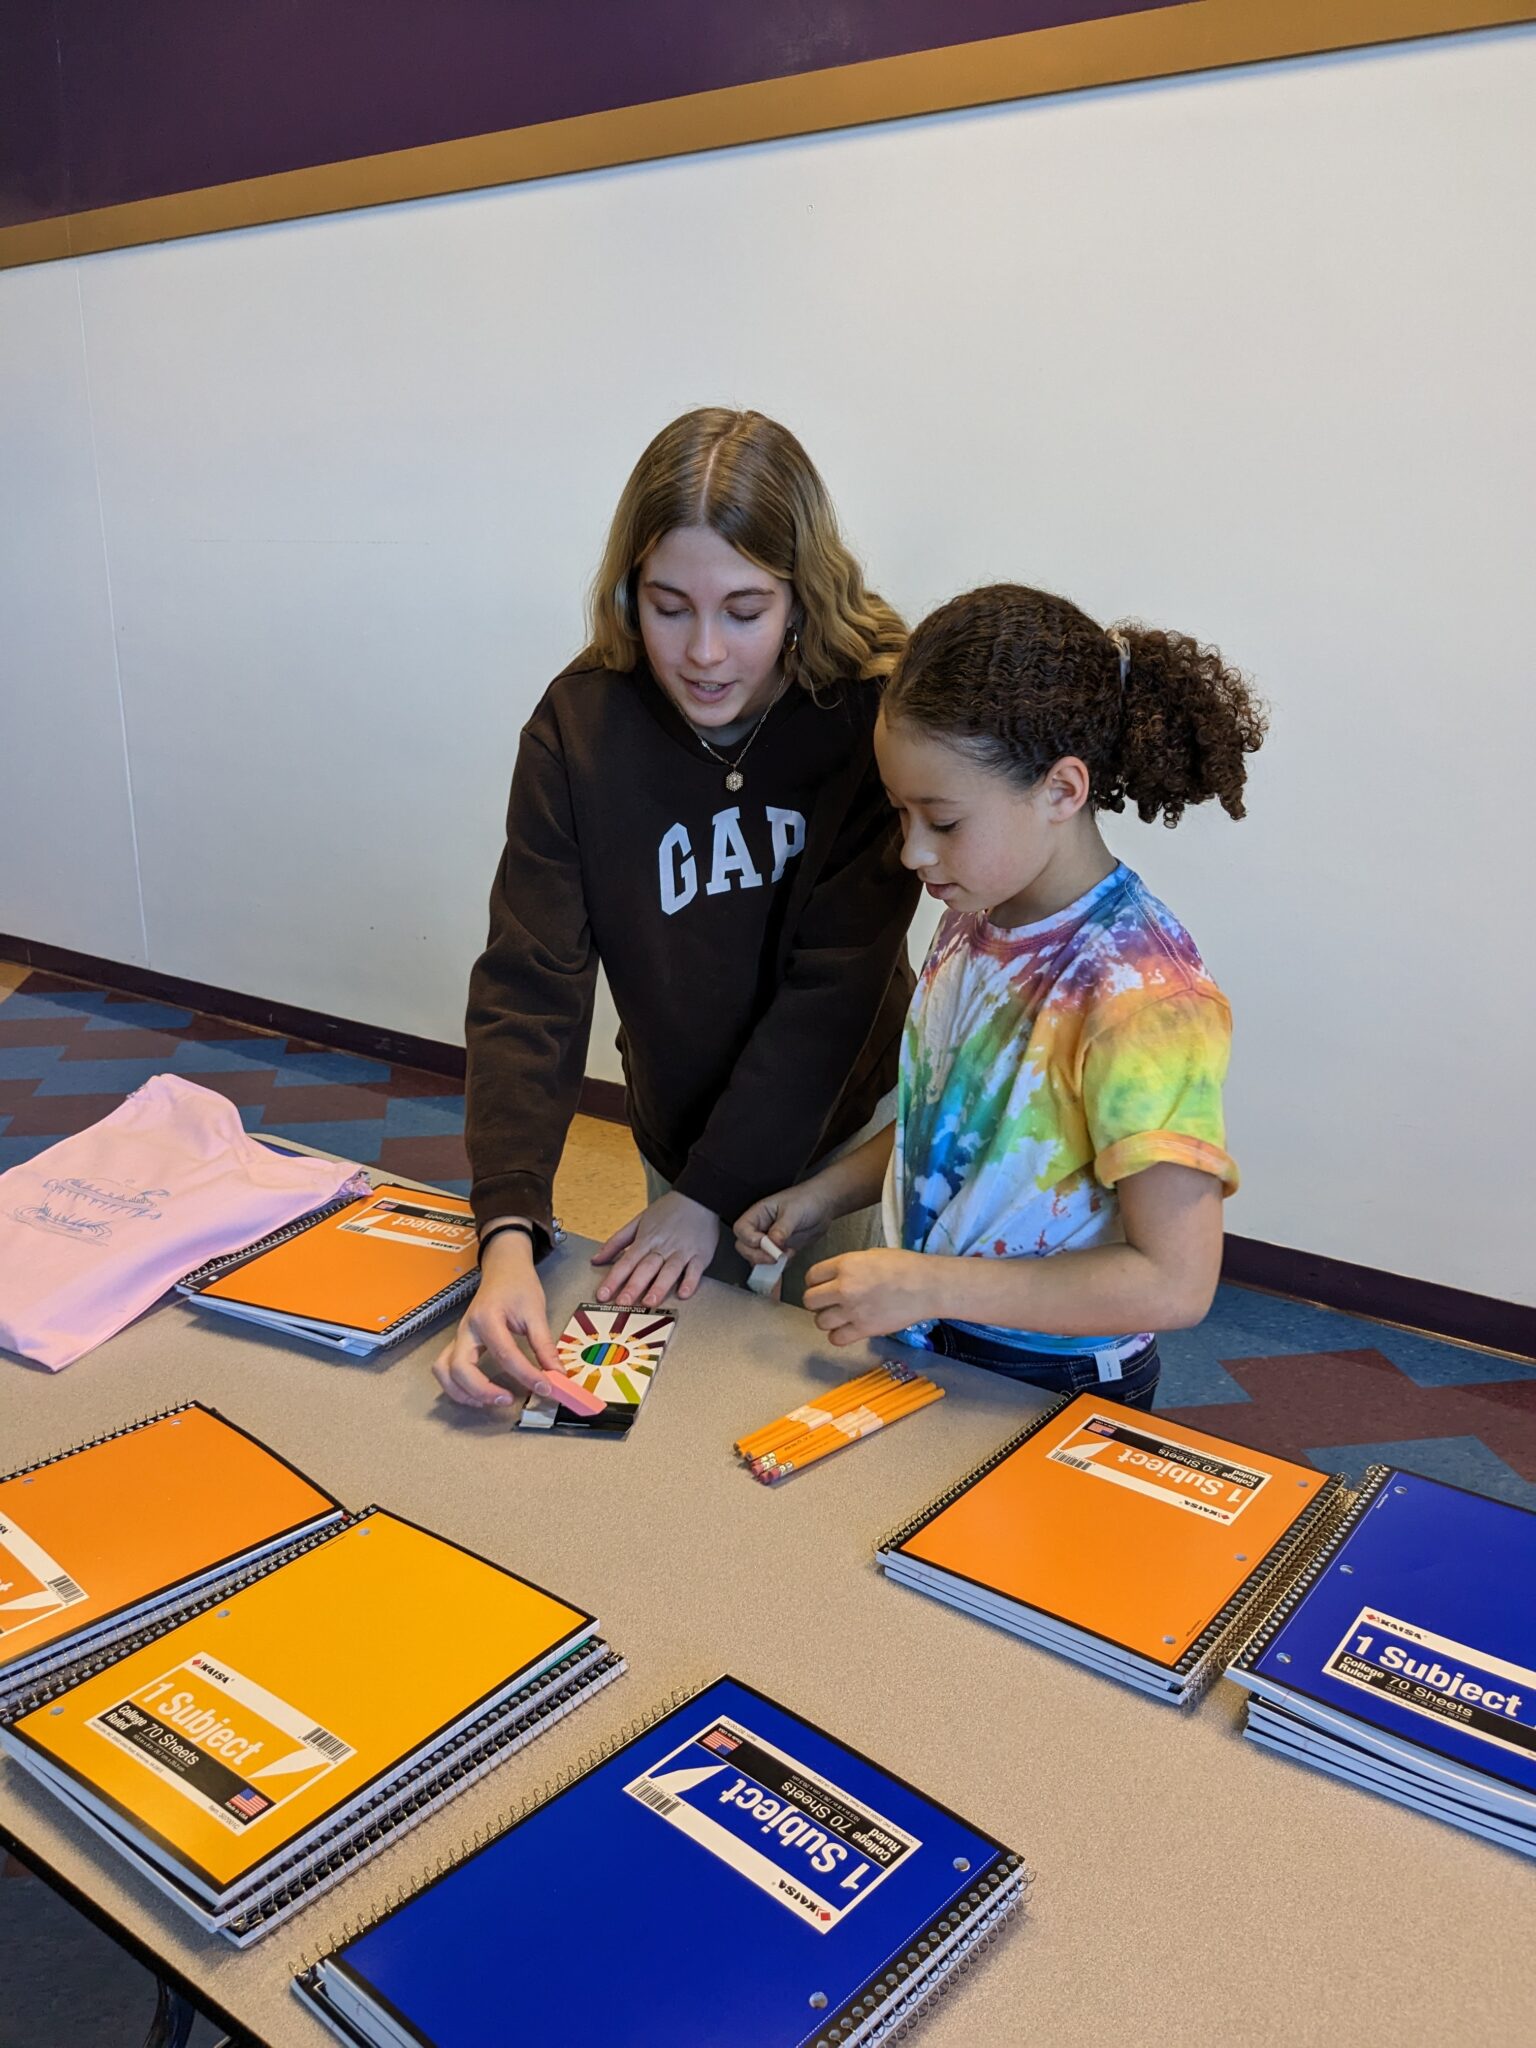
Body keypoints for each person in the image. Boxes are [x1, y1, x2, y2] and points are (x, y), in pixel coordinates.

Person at [435, 409, 918, 1414]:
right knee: (690, 1401)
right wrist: (508, 1231)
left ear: (801, 593)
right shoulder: (578, 728)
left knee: (815, 1386)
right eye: (668, 606)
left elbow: (834, 988)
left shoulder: (867, 715)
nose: (703, 652)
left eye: (745, 609)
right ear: (628, 591)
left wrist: (715, 1193)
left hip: (839, 1130)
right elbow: (531, 987)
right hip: (676, 1120)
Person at [734, 582, 1267, 1412]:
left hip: (1050, 1376)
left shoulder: (1142, 998)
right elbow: (960, 1118)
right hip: (937, 1334)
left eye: (942, 821)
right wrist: (822, 1196)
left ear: (1061, 790)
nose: (912, 851)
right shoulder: (977, 909)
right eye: (900, 812)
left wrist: (928, 1283)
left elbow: (1175, 1283)